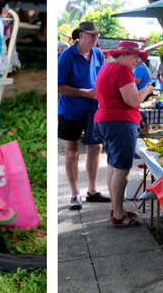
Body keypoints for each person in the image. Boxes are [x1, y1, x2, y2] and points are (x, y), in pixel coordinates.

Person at [93, 39, 150, 225]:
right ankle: (118, 214)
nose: (138, 60)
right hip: (120, 122)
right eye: (135, 56)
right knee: (122, 168)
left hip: (105, 120)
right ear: (123, 55)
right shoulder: (122, 70)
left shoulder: (106, 68)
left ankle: (116, 207)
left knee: (113, 166)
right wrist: (147, 90)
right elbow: (133, 101)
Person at [57, 22, 108, 211]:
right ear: (81, 35)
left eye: (97, 35)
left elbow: (101, 80)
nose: (96, 38)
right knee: (72, 152)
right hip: (71, 110)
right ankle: (75, 194)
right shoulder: (66, 56)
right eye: (92, 35)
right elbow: (59, 87)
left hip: (94, 110)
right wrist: (87, 93)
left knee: (96, 148)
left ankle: (93, 191)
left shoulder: (99, 54)